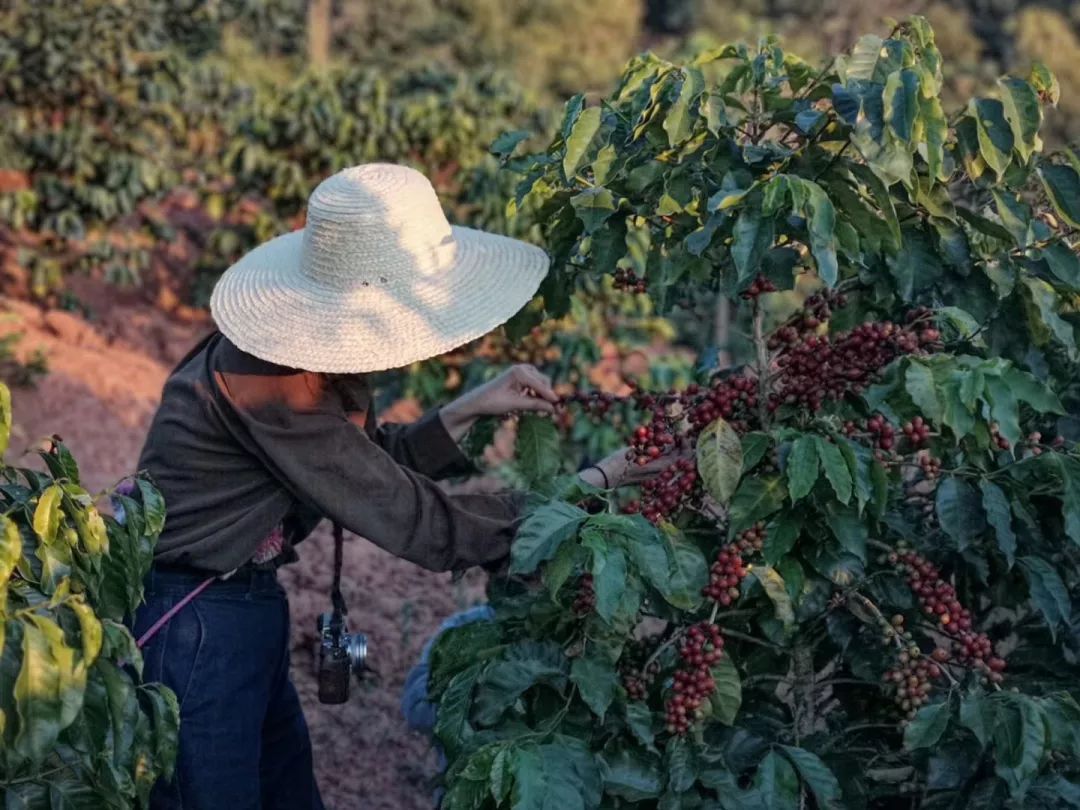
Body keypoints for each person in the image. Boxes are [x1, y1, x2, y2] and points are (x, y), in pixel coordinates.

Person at [132, 164, 657, 809]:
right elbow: (413, 518)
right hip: (196, 618)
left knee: (284, 791)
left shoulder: (302, 372)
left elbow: (361, 464)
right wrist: (594, 484)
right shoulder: (275, 383)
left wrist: (468, 408)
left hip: (244, 602)